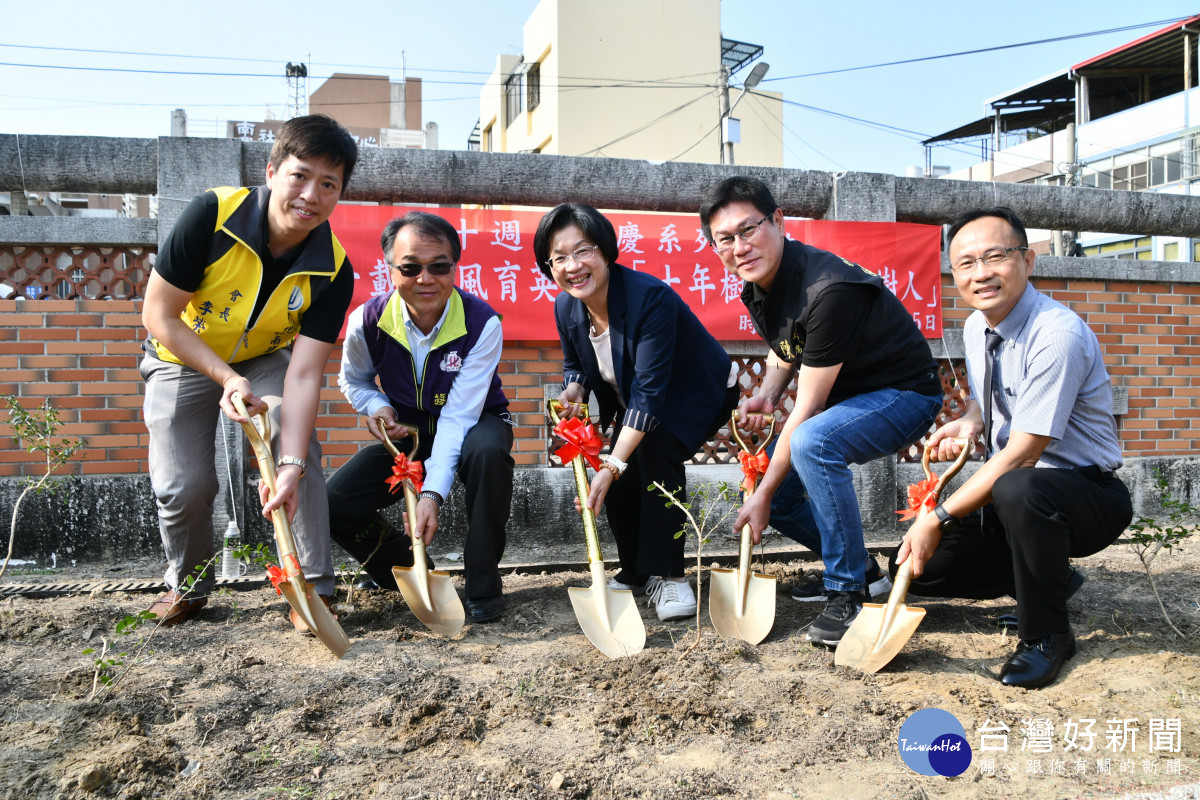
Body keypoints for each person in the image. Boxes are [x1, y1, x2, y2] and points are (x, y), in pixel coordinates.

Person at [699, 176, 943, 647]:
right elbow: (787, 348)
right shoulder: (761, 282)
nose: (739, 246)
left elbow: (809, 408)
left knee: (810, 443)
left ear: (779, 221)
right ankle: (865, 571)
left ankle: (847, 590)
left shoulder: (828, 289)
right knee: (783, 488)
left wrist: (762, 492)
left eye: (749, 229)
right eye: (724, 239)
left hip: (905, 394)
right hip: (852, 399)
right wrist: (768, 395)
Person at [894, 207, 1131, 689]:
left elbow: (1022, 453)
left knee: (1019, 488)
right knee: (926, 571)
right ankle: (1052, 579)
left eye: (995, 256)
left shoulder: (1056, 335)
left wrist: (935, 517)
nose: (981, 273)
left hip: (1084, 496)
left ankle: (1046, 635)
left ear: (1028, 260)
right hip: (1016, 500)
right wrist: (969, 422)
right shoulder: (977, 328)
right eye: (965, 263)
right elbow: (995, 403)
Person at [140, 114, 358, 630]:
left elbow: (304, 375)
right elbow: (159, 316)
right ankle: (187, 587)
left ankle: (313, 591)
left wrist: (291, 463)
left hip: (265, 360)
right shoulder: (211, 216)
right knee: (184, 485)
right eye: (300, 176)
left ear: (339, 194)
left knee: (295, 447)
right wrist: (223, 376)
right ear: (272, 171)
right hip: (183, 355)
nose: (311, 194)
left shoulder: (334, 268)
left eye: (329, 184)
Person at [535, 203, 739, 622]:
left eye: (583, 251)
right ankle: (637, 568)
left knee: (650, 451)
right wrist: (574, 387)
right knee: (623, 472)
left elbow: (650, 392)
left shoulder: (650, 299)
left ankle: (671, 576)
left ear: (606, 251)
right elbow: (576, 364)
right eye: (559, 257)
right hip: (641, 402)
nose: (572, 266)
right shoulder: (566, 308)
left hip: (700, 391)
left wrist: (612, 462)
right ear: (549, 265)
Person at [327, 212, 513, 624]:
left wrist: (431, 494)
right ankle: (407, 572)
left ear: (455, 267)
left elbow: (459, 416)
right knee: (333, 504)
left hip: (475, 423)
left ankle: (484, 585)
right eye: (410, 267)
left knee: (487, 453)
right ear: (390, 269)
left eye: (439, 266)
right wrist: (376, 407)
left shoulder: (483, 323)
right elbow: (353, 380)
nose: (425, 278)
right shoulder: (367, 321)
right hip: (408, 433)